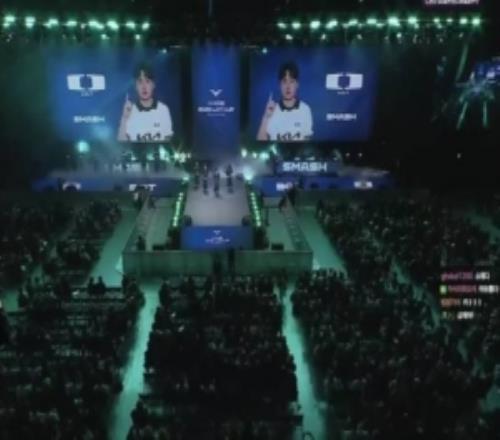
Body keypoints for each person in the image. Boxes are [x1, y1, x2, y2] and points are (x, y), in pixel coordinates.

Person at [257, 61, 313, 142]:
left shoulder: (305, 109)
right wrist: (266, 116)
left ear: (297, 84)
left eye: (291, 81)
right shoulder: (272, 110)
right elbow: (260, 142)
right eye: (284, 81)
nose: (288, 86)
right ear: (279, 84)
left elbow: (307, 141)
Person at [118, 62, 173, 142]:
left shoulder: (163, 109)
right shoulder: (130, 111)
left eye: (147, 81)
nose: (144, 87)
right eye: (140, 82)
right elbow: (121, 143)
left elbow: (168, 140)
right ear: (135, 86)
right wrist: (125, 118)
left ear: (153, 84)